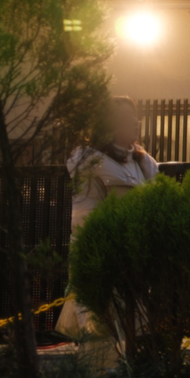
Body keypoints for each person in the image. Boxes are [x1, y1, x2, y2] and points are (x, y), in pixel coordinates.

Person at [57, 96, 159, 340]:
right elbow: (84, 220)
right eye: (127, 118)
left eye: (135, 116)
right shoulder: (90, 164)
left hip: (138, 267)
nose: (136, 122)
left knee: (136, 340)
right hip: (107, 267)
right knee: (103, 342)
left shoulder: (143, 163)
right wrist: (91, 268)